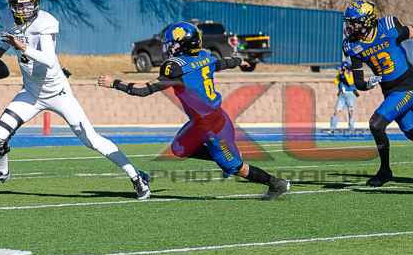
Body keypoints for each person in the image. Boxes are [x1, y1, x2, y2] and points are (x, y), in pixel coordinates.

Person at [0, 0, 150, 199]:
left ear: (36, 4)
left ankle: (136, 176)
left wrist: (23, 46)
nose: (24, 10)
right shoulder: (6, 18)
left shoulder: (46, 22)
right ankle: (2, 172)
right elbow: (8, 40)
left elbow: (49, 60)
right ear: (12, 6)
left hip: (58, 93)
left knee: (91, 140)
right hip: (31, 92)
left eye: (28, 5)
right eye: (19, 6)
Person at [98, 21, 290, 200]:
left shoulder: (176, 68)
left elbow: (143, 90)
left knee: (235, 167)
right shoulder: (204, 56)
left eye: (172, 44)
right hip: (202, 121)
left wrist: (115, 83)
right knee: (179, 148)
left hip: (214, 127)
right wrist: (239, 61)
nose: (169, 48)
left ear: (182, 45)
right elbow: (222, 63)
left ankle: (275, 183)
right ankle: (221, 155)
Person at [342, 0, 413, 187]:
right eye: (350, 23)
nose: (350, 27)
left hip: (407, 85)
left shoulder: (388, 28)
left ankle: (385, 171)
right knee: (412, 131)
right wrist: (369, 83)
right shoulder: (352, 45)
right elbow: (359, 82)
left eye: (354, 22)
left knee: (376, 124)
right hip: (389, 90)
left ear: (367, 21)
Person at [329, 61, 359, 132]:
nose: (341, 70)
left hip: (350, 94)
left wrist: (344, 74)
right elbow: (335, 82)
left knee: (350, 111)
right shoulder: (340, 75)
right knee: (337, 110)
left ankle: (351, 128)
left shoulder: (351, 74)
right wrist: (339, 75)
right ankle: (332, 128)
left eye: (343, 69)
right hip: (342, 95)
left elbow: (350, 82)